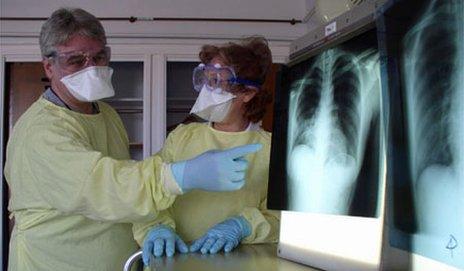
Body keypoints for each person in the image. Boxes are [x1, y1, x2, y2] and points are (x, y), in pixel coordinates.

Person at [4, 8, 261, 271]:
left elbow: (131, 189)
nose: (92, 67)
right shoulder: (42, 131)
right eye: (76, 60)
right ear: (49, 66)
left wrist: (151, 226)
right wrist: (180, 177)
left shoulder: (107, 115)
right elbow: (106, 186)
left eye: (99, 56)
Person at [136, 37, 280, 265]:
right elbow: (147, 190)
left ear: (247, 93)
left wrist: (243, 225)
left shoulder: (271, 149)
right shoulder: (182, 137)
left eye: (217, 82)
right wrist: (157, 228)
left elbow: (281, 219)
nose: (207, 90)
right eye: (206, 80)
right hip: (172, 261)